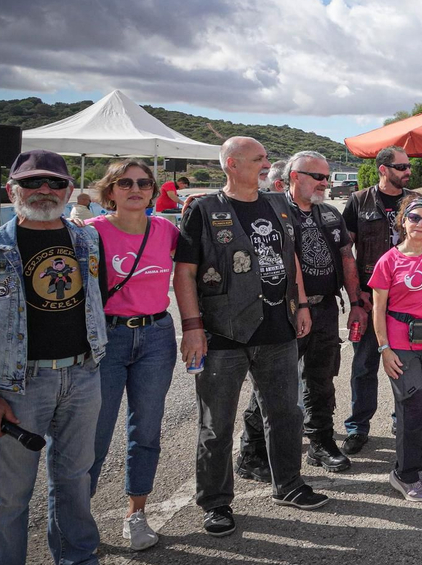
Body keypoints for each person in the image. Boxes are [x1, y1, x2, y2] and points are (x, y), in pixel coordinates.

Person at [0, 150, 120, 565]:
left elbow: (98, 295)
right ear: (12, 191)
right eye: (32, 184)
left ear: (69, 191)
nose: (44, 191)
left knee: (74, 477)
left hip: (82, 376)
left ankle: (77, 562)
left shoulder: (86, 238)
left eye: (55, 183)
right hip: (17, 385)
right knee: (9, 496)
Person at [175, 137, 327, 539]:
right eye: (258, 158)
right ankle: (216, 501)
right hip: (224, 332)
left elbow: (291, 255)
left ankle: (289, 484)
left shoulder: (277, 203)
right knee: (216, 424)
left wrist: (303, 305)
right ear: (231, 164)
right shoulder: (204, 209)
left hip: (278, 329)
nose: (266, 163)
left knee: (285, 414)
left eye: (265, 157)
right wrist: (192, 326)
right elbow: (185, 272)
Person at [237, 152, 360, 477]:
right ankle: (253, 453)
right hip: (282, 312)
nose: (325, 182)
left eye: (327, 177)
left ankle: (319, 443)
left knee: (321, 379)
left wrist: (357, 301)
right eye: (318, 176)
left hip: (325, 309)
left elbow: (347, 258)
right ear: (294, 176)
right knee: (271, 384)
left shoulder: (331, 214)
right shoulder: (271, 210)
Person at [85, 159, 179, 550]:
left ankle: (135, 513)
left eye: (143, 183)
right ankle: (77, 520)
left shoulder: (167, 231)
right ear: (109, 192)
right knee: (93, 433)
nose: (135, 188)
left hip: (156, 336)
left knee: (146, 430)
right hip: (107, 339)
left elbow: (192, 276)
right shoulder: (89, 233)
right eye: (125, 183)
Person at [370, 195, 422, 501]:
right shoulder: (388, 260)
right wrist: (384, 349)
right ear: (403, 221)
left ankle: (418, 466)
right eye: (414, 218)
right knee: (411, 405)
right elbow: (378, 310)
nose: (420, 224)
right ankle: (403, 473)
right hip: (400, 343)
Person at [340, 146, 409, 454]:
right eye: (401, 167)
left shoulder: (416, 203)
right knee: (364, 365)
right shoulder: (358, 201)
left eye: (409, 166)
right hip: (370, 298)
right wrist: (357, 297)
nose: (408, 171)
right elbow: (346, 253)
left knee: (405, 365)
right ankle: (358, 427)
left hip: (408, 299)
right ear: (383, 169)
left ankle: (403, 419)